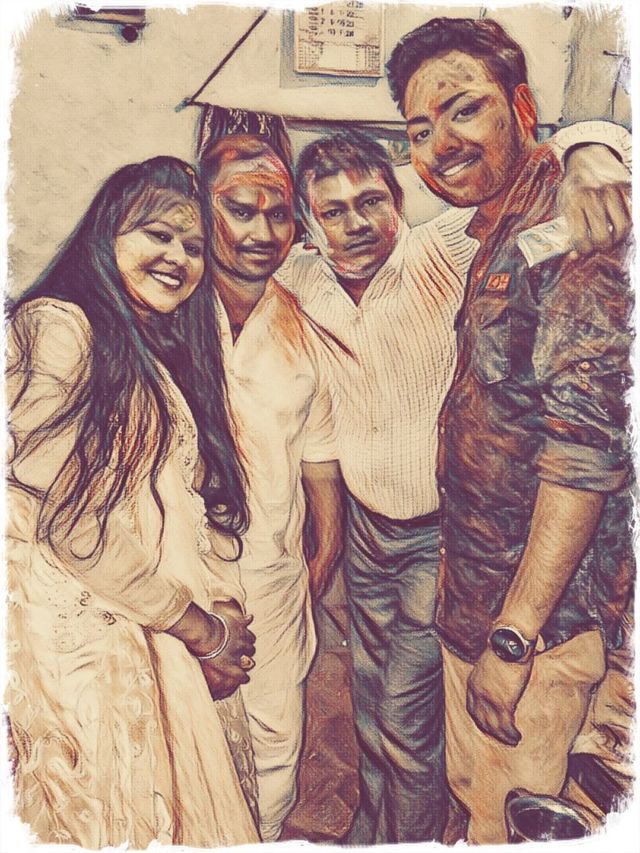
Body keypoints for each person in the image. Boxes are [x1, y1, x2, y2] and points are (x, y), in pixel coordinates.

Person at [277, 118, 631, 843]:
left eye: (371, 201)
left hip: (436, 540)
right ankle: (377, 829)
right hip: (367, 536)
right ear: (310, 227)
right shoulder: (303, 279)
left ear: (398, 199)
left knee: (405, 721)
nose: (357, 224)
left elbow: (533, 168)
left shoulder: (447, 250)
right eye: (334, 211)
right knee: (370, 703)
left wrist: (591, 147)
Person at [386, 16, 634, 843]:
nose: (441, 143)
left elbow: (582, 456)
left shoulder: (571, 226)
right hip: (480, 601)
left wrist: (513, 639)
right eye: (420, 129)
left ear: (523, 109)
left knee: (507, 819)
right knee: (479, 802)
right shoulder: (500, 227)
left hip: (536, 635)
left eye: (465, 109)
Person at [6, 156, 260, 848]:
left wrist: (220, 609)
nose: (178, 257)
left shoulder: (151, 349)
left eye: (194, 246)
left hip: (157, 630)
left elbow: (183, 510)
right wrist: (201, 630)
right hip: (87, 663)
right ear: (106, 235)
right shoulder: (59, 327)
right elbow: (69, 526)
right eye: (157, 234)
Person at [200, 133, 344, 841]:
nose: (261, 231)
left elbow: (319, 452)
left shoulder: (301, 317)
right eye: (239, 209)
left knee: (274, 738)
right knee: (180, 742)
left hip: (273, 577)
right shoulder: (164, 300)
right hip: (174, 576)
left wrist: (323, 552)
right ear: (202, 209)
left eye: (278, 213)